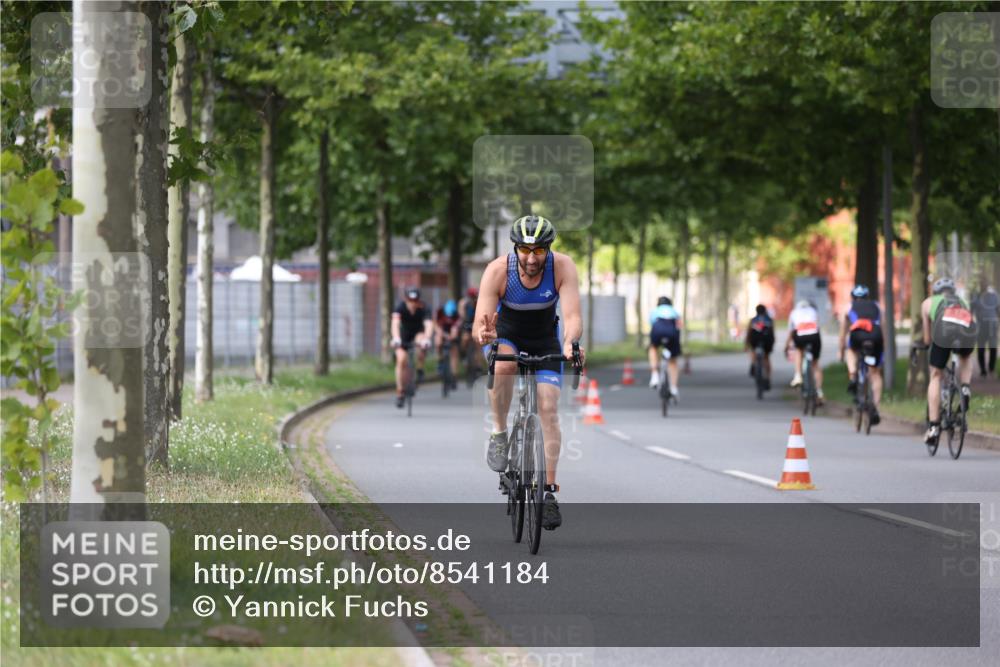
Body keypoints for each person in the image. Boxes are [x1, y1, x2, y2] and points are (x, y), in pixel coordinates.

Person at [473, 215, 583, 531]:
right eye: (525, 250)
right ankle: (498, 432)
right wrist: (484, 335)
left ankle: (548, 493)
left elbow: (573, 315)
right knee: (505, 364)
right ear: (516, 248)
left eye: (539, 250)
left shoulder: (562, 267)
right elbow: (481, 322)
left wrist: (571, 342)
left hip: (545, 338)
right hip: (505, 335)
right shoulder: (497, 271)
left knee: (548, 409)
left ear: (548, 249)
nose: (531, 258)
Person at [922, 277, 976, 446]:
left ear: (935, 292)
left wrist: (926, 346)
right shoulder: (963, 301)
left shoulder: (928, 302)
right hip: (966, 330)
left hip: (943, 330)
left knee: (936, 375)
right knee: (966, 357)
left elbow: (926, 338)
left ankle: (933, 427)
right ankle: (965, 388)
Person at [839, 284, 883, 426]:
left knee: (851, 350)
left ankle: (853, 376)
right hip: (875, 335)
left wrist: (841, 351)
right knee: (875, 374)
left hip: (858, 334)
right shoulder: (877, 306)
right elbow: (884, 327)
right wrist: (883, 347)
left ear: (853, 297)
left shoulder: (848, 307)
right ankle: (875, 407)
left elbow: (843, 333)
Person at [390, 287, 433, 409]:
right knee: (401, 359)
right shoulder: (400, 307)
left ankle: (419, 368)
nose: (413, 303)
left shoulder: (424, 308)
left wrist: (427, 338)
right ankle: (400, 391)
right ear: (406, 299)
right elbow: (395, 323)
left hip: (418, 333)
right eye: (410, 300)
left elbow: (429, 325)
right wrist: (396, 338)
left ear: (419, 300)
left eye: (415, 300)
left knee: (421, 341)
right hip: (403, 335)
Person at [785, 299, 824, 402]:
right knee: (815, 364)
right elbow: (818, 326)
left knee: (798, 350)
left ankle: (798, 375)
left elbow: (790, 331)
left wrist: (786, 346)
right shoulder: (813, 311)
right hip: (814, 335)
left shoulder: (794, 312)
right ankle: (819, 391)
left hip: (800, 334)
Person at [648, 296, 683, 397]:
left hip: (658, 330)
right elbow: (679, 326)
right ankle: (674, 388)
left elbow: (652, 325)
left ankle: (654, 375)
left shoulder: (655, 311)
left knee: (653, 348)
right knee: (673, 361)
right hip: (672, 332)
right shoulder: (675, 312)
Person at [972, 277, 999, 377]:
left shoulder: (994, 296)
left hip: (992, 325)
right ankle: (983, 369)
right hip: (982, 325)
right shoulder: (976, 296)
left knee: (992, 347)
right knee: (982, 347)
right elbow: (972, 310)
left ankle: (991, 368)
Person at [744, 304, 774, 391]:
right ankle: (767, 378)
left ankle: (753, 364)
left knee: (753, 351)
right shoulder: (769, 320)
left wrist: (746, 344)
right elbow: (772, 333)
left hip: (755, 340)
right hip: (766, 341)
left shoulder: (753, 320)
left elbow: (749, 333)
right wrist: (772, 343)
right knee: (766, 358)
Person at [434, 299, 462, 389]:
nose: (449, 318)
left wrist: (452, 336)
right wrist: (443, 334)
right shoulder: (439, 312)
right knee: (438, 340)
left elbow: (456, 328)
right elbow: (435, 325)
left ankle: (454, 377)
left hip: (452, 332)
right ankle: (440, 360)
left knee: (454, 353)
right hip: (442, 330)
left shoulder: (457, 316)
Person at [458, 287, 480, 376]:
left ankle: (478, 365)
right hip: (467, 323)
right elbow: (462, 315)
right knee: (465, 338)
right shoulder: (464, 303)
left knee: (478, 344)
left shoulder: (478, 302)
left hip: (476, 323)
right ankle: (463, 355)